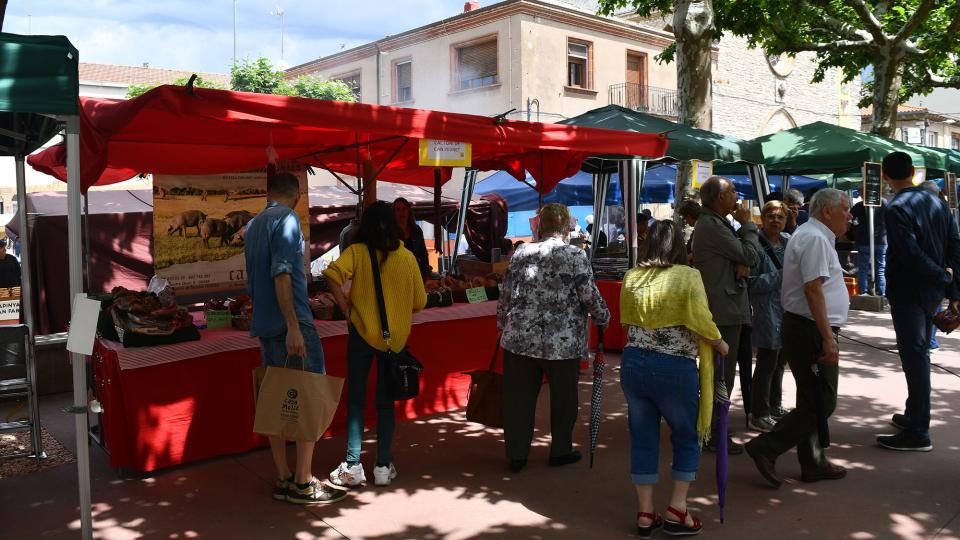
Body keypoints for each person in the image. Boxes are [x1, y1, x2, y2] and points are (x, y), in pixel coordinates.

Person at [619, 219, 728, 537]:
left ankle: (644, 513)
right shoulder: (689, 276)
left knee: (642, 437)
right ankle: (677, 508)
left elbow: (626, 322)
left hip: (632, 365)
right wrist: (721, 344)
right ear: (681, 245)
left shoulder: (632, 275)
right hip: (674, 368)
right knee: (686, 435)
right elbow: (701, 320)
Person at [244, 172, 347, 505]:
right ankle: (304, 482)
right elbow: (282, 272)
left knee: (277, 400)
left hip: (264, 324)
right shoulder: (287, 220)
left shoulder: (255, 224)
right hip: (293, 324)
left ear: (268, 192)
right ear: (299, 195)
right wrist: (292, 325)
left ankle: (284, 477)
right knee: (308, 397)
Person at [745, 188, 851, 488]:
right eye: (846, 208)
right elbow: (813, 289)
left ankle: (813, 462)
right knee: (822, 401)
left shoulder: (811, 235)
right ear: (827, 210)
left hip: (806, 326)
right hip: (810, 328)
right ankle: (767, 447)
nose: (850, 215)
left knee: (812, 398)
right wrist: (828, 338)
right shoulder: (814, 238)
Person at [497, 203, 609, 473]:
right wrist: (604, 316)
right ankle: (560, 450)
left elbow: (506, 292)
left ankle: (517, 454)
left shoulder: (521, 252)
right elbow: (588, 295)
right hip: (563, 341)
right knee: (564, 399)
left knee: (518, 399)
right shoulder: (574, 255)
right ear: (565, 226)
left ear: (540, 225)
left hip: (520, 338)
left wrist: (502, 325)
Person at [324, 201, 427, 486]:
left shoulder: (356, 252)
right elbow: (420, 303)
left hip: (360, 334)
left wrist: (346, 307)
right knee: (385, 403)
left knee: (356, 400)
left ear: (363, 225)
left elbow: (330, 275)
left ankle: (353, 465)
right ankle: (383, 465)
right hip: (394, 341)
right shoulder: (406, 257)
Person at [878, 152, 960, 452]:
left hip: (911, 291)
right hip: (931, 291)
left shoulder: (897, 207)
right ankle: (914, 414)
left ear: (885, 176)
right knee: (918, 354)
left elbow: (909, 253)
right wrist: (952, 288)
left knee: (915, 357)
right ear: (913, 171)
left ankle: (918, 430)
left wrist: (944, 278)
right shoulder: (937, 201)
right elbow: (954, 244)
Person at [692, 176, 760, 454]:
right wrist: (749, 226)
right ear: (719, 198)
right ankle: (712, 431)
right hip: (723, 309)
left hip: (727, 306)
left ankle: (712, 426)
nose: (736, 196)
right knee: (721, 374)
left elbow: (744, 258)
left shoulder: (715, 223)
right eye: (732, 192)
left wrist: (741, 260)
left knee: (721, 372)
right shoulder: (711, 225)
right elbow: (750, 255)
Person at [747, 201, 791, 432]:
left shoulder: (789, 242)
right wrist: (781, 276)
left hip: (788, 309)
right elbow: (748, 283)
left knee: (781, 360)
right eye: (771, 216)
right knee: (767, 362)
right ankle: (759, 412)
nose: (775, 220)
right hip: (765, 310)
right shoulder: (754, 244)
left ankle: (775, 405)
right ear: (762, 218)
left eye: (780, 217)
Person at [850, 199, 887, 295]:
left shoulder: (858, 206)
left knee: (863, 268)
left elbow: (850, 219)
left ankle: (863, 292)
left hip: (864, 240)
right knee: (880, 268)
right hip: (881, 240)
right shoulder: (884, 203)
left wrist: (856, 229)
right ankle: (881, 294)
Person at [392, 197, 432, 277]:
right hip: (396, 273)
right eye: (398, 209)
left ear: (408, 211)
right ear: (394, 212)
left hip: (415, 272)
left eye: (404, 209)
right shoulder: (390, 232)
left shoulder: (416, 230)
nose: (401, 212)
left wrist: (427, 275)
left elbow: (423, 254)